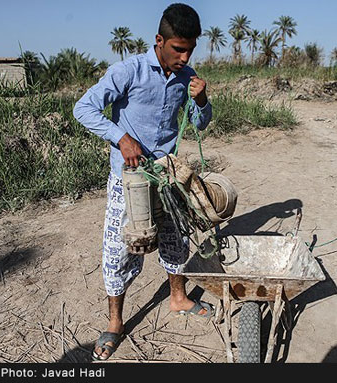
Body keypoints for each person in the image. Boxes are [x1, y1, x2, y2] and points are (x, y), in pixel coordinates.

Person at [73, 3, 213, 361]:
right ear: (159, 40)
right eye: (178, 48)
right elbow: (83, 108)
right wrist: (121, 138)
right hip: (130, 179)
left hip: (167, 174)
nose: (184, 57)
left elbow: (198, 124)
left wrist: (202, 100)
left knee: (176, 239)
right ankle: (115, 321)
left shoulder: (188, 77)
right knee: (122, 247)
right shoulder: (129, 71)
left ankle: (178, 298)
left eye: (190, 49)